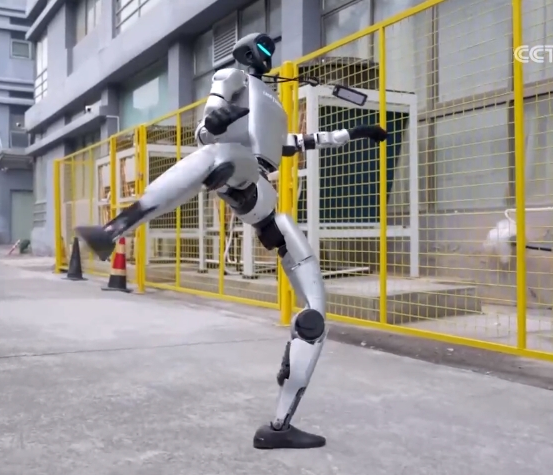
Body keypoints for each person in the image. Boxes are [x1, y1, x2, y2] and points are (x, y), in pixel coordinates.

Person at [76, 32, 387, 449]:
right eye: (263, 49)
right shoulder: (232, 79)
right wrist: (214, 126)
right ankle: (114, 230)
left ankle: (280, 425)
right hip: (241, 170)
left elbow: (298, 142)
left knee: (314, 313)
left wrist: (358, 132)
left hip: (265, 199)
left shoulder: (272, 102)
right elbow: (206, 133)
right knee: (218, 157)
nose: (267, 55)